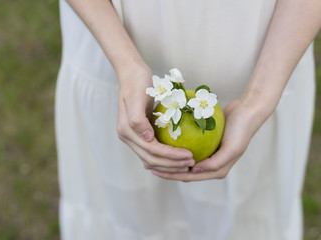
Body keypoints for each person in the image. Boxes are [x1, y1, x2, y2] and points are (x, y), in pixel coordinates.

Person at [55, 0, 321, 239]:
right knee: (124, 211)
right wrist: (126, 65)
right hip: (111, 45)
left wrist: (258, 99)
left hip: (270, 55)